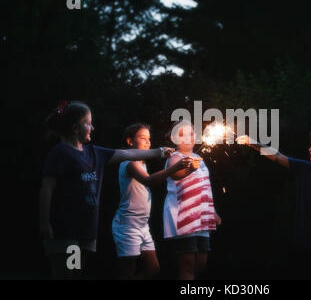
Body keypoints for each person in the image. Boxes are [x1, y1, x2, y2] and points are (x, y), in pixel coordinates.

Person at [39, 101, 174, 279]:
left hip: (86, 229)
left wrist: (160, 152)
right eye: (88, 123)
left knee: (76, 273)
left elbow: (127, 153)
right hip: (65, 229)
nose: (92, 127)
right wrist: (44, 222)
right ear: (74, 127)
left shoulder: (95, 153)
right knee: (65, 275)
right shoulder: (61, 152)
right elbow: (47, 189)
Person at [237, 129, 311, 279]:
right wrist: (252, 142)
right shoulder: (304, 169)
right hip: (300, 241)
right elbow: (277, 156)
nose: (310, 149)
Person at [112, 123, 192, 279]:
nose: (148, 142)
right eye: (143, 138)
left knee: (153, 268)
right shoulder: (129, 162)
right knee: (127, 272)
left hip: (143, 225)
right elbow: (148, 180)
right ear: (130, 141)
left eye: (149, 139)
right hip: (127, 225)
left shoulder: (141, 162)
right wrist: (175, 168)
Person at [163, 120, 222, 280]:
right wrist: (190, 168)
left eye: (191, 133)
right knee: (187, 267)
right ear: (175, 138)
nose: (189, 137)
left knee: (200, 265)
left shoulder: (198, 157)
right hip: (183, 216)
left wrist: (213, 212)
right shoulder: (175, 157)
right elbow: (175, 174)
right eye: (183, 134)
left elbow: (204, 187)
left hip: (202, 218)